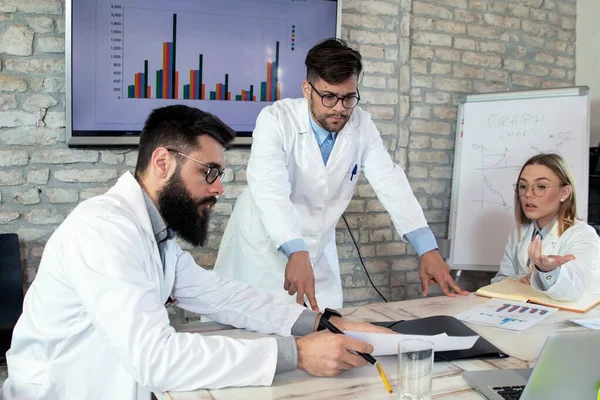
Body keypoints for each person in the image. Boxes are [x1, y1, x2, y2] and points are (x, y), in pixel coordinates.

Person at [0, 105, 391, 400]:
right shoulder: (103, 230)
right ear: (162, 162)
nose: (219, 188)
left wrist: (319, 323)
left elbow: (222, 295)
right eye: (209, 172)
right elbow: (158, 359)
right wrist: (297, 355)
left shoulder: (156, 234)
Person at [213, 38, 468, 311]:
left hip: (315, 250)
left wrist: (426, 248)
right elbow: (269, 188)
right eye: (329, 97)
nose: (339, 108)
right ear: (307, 90)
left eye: (348, 98)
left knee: (321, 331)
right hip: (262, 250)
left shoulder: (362, 124)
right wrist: (295, 250)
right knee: (253, 332)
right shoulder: (275, 120)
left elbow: (390, 181)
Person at [492, 153, 600, 301]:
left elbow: (575, 287)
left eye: (541, 186)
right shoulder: (517, 234)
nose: (528, 194)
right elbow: (499, 282)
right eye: (523, 186)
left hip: (566, 319)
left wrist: (548, 271)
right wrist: (523, 279)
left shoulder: (583, 234)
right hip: (522, 314)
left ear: (564, 192)